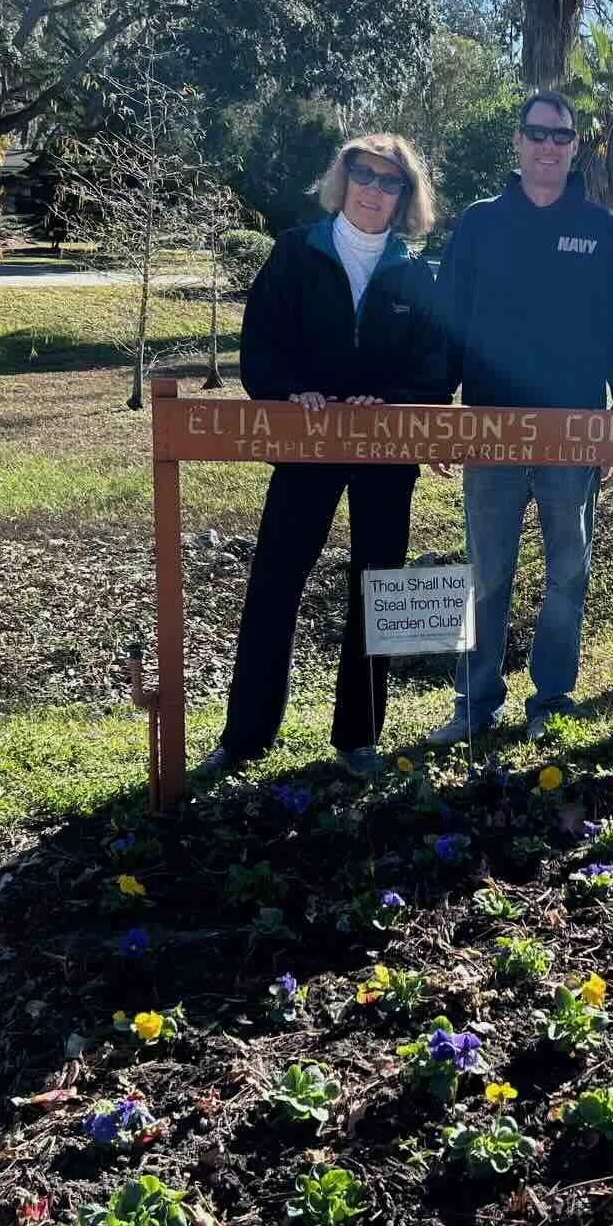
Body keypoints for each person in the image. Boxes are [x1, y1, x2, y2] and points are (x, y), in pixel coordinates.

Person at [206, 134, 447, 779]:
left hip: (386, 449)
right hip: (307, 444)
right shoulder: (295, 253)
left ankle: (359, 737)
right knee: (276, 580)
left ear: (406, 195)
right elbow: (262, 344)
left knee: (381, 586)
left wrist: (391, 399)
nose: (374, 189)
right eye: (363, 175)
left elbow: (437, 364)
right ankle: (246, 734)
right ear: (343, 180)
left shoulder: (418, 272)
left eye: (390, 181)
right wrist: (289, 392)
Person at [427, 90, 613, 745]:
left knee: (568, 570)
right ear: (517, 143)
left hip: (574, 430)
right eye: (537, 134)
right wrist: (440, 407)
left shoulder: (602, 228)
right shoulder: (479, 223)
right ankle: (475, 701)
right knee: (485, 570)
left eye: (561, 136)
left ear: (575, 146)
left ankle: (552, 698)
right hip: (491, 428)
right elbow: (449, 322)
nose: (549, 146)